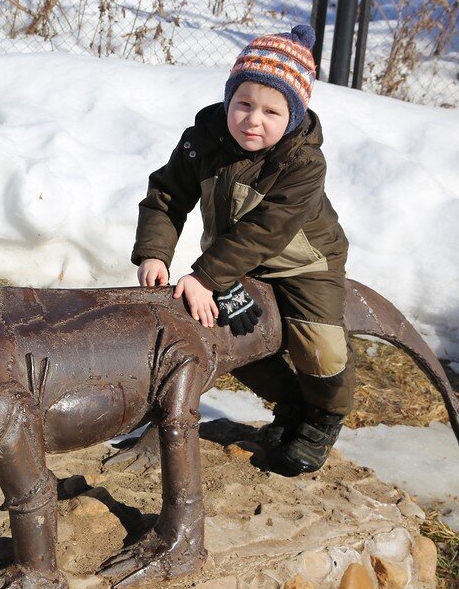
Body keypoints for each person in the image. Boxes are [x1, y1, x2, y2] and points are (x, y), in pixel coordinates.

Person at [131, 24, 355, 476]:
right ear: (228, 99)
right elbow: (168, 194)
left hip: (302, 262)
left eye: (272, 111)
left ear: (294, 115)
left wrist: (205, 276)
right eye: (243, 104)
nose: (253, 120)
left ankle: (323, 418)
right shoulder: (205, 137)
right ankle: (290, 402)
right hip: (229, 260)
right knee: (225, 332)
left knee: (321, 347)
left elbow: (267, 231)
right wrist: (155, 252)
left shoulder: (303, 162)